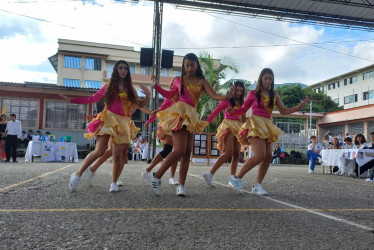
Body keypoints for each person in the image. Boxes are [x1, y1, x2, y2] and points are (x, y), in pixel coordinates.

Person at [150, 52, 234, 196]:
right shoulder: (178, 80)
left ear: (196, 65)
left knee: (187, 152)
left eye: (192, 65)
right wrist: (156, 86)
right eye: (187, 65)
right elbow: (169, 95)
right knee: (179, 150)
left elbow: (213, 95)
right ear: (184, 66)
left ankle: (181, 186)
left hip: (192, 116)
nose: (189, 68)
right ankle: (157, 176)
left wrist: (227, 96)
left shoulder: (202, 81)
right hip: (180, 114)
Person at [60, 59, 150, 192]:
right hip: (108, 119)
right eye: (120, 68)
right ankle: (78, 174)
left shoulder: (131, 89)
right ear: (116, 70)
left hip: (123, 122)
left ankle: (114, 182)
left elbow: (140, 104)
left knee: (119, 155)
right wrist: (72, 100)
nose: (123, 70)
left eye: (125, 68)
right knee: (99, 151)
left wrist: (148, 96)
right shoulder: (109, 85)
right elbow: (93, 98)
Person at [226, 68, 309, 195]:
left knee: (268, 156)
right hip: (256, 125)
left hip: (268, 125)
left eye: (270, 78)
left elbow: (283, 111)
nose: (268, 81)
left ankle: (257, 185)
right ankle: (236, 178)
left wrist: (299, 107)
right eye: (265, 78)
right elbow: (243, 109)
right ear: (261, 79)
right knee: (260, 155)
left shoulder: (274, 94)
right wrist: (234, 111)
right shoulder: (253, 93)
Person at [202, 81, 246, 188]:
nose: (239, 93)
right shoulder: (226, 100)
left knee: (236, 154)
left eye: (241, 91)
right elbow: (215, 112)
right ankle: (210, 174)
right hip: (228, 127)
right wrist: (204, 124)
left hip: (238, 128)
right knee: (228, 153)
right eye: (237, 90)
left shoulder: (242, 103)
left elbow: (244, 118)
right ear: (233, 89)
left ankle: (232, 178)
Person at [142, 84, 180, 186]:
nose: (176, 91)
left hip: (180, 126)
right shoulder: (169, 99)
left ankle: (172, 177)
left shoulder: (183, 99)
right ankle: (148, 169)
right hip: (169, 127)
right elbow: (159, 111)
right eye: (174, 89)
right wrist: (148, 121)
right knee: (168, 150)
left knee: (177, 152)